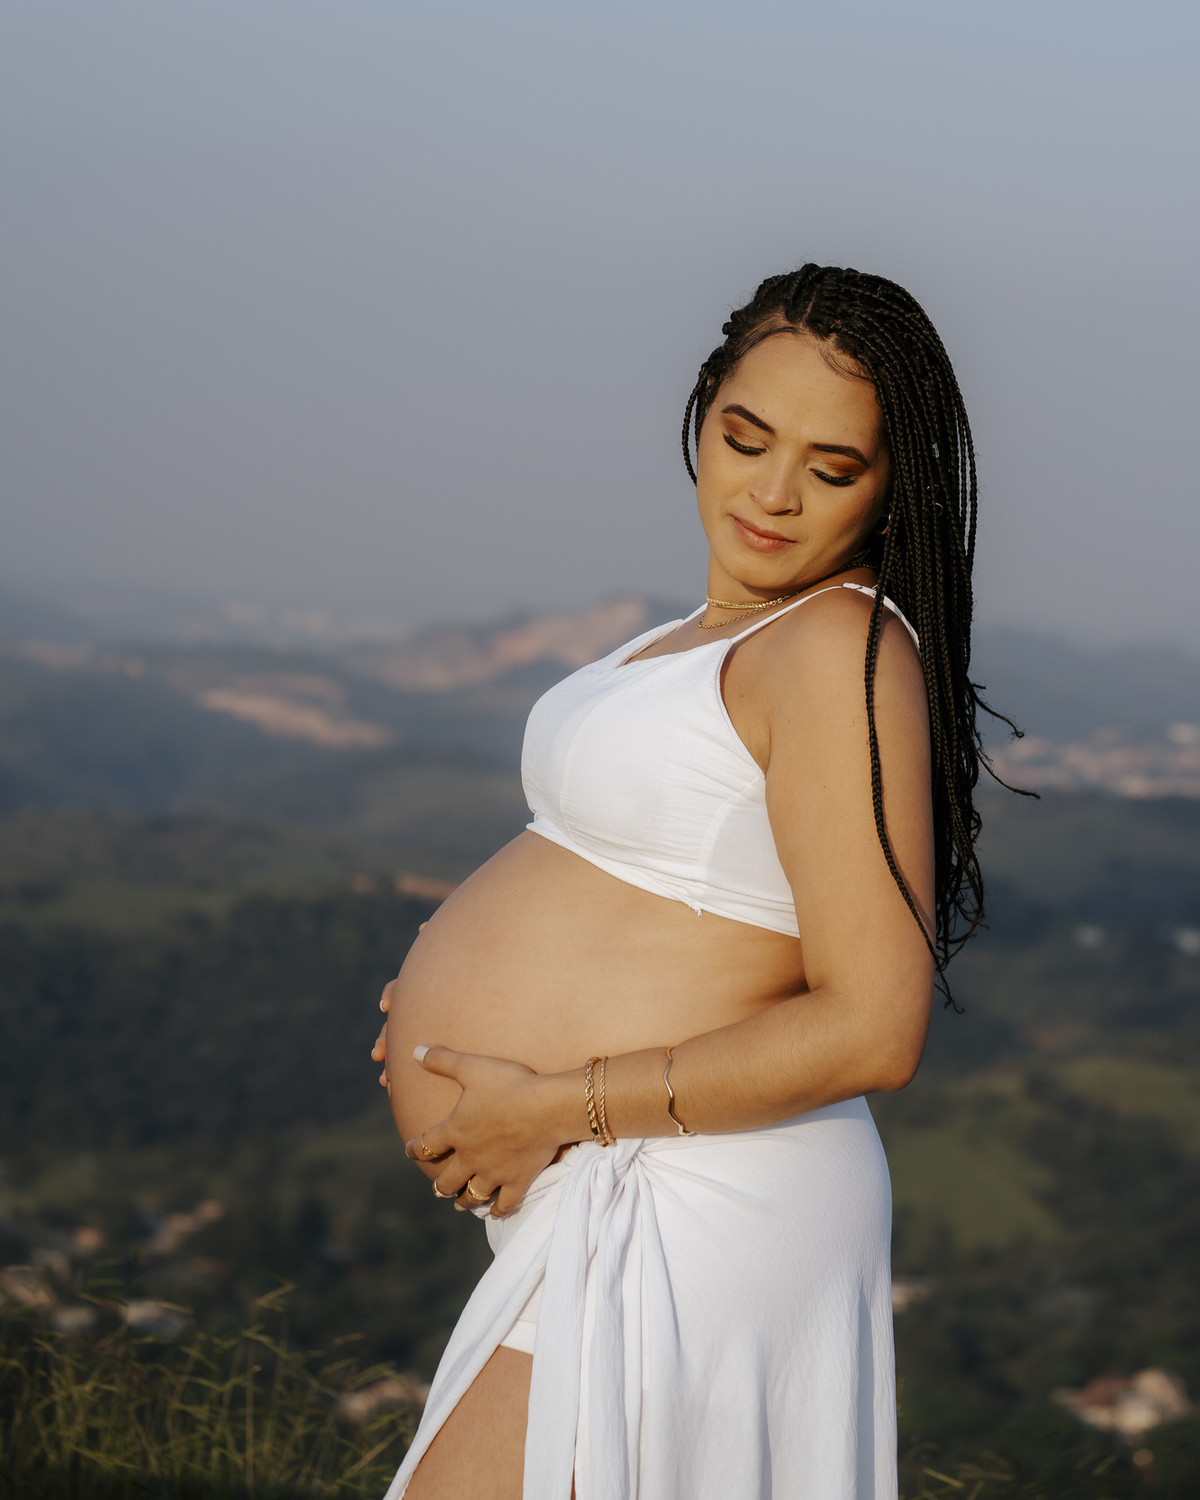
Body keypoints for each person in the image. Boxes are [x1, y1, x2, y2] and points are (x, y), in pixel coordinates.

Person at [371, 262, 990, 1500]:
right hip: (622, 1183)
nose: (771, 493)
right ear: (702, 413)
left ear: (890, 488)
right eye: (746, 437)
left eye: (831, 467)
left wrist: (554, 1100)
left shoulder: (833, 647)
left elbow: (876, 1027)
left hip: (692, 1197)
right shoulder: (710, 633)